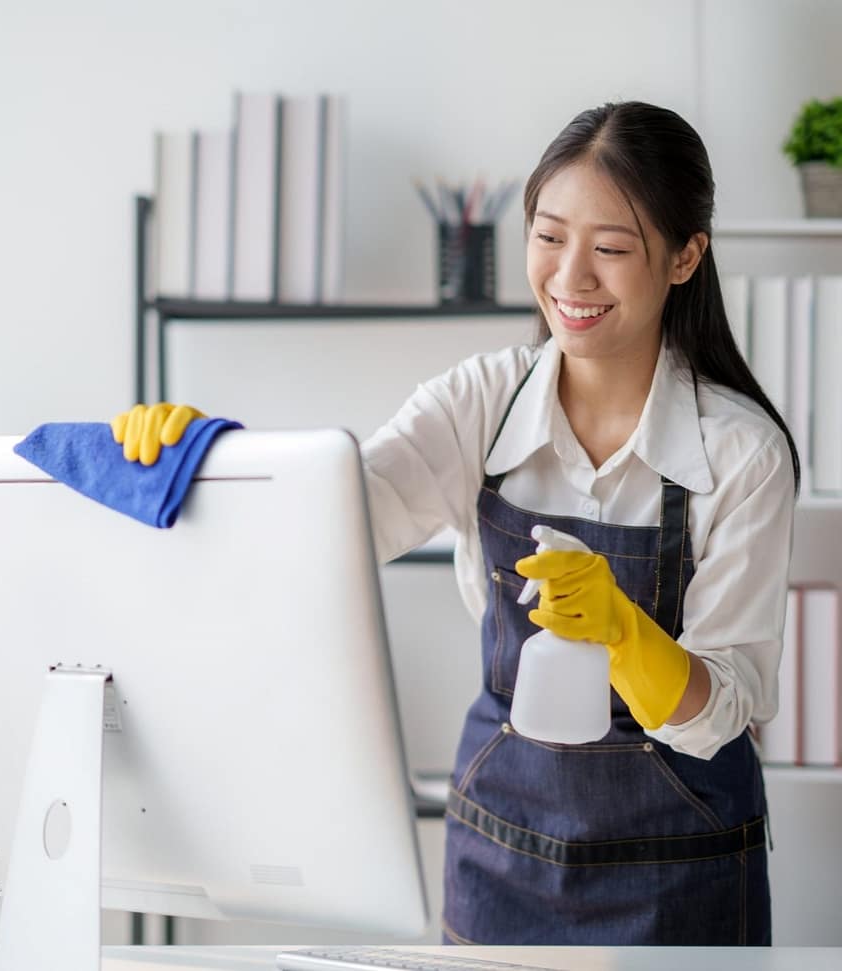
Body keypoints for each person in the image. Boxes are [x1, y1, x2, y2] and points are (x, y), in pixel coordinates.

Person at [113, 101, 798, 946]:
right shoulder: (479, 402)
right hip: (501, 854)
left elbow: (721, 709)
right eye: (548, 237)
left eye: (612, 248)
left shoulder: (742, 454)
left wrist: (626, 632)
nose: (570, 277)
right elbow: (334, 523)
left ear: (687, 255)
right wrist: (204, 459)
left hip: (682, 869)